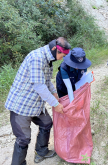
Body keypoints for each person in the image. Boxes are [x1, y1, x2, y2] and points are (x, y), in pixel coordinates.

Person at [5, 37, 71, 165]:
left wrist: (54, 93)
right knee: (23, 138)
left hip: (36, 104)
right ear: (54, 49)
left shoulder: (48, 60)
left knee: (46, 123)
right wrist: (55, 104)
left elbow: (47, 81)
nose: (62, 58)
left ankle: (41, 152)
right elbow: (39, 86)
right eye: (62, 55)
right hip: (21, 105)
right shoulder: (37, 58)